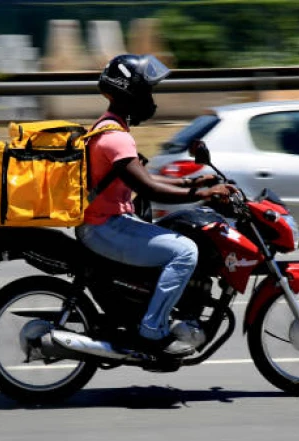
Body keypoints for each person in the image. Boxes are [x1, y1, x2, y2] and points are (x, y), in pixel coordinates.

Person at [75, 54, 237, 357]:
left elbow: (144, 177)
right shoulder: (115, 138)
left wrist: (194, 184)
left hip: (108, 224)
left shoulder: (112, 129)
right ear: (129, 92)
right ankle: (153, 329)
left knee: (178, 236)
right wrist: (203, 195)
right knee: (185, 251)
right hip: (105, 227)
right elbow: (147, 187)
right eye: (147, 91)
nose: (152, 100)